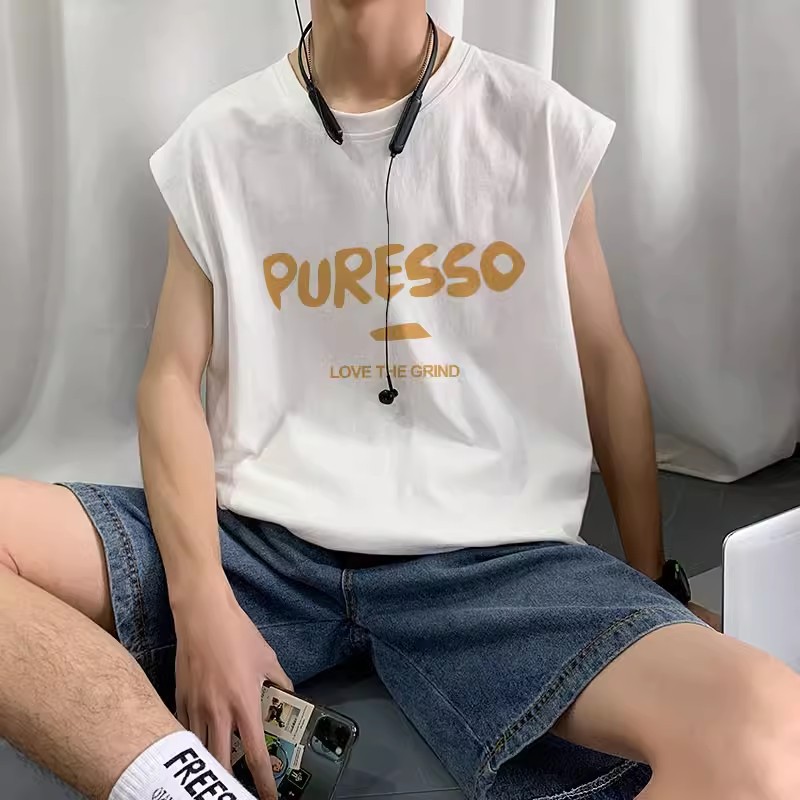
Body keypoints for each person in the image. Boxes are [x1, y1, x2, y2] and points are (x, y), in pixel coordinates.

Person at [1, 1, 798, 799]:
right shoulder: (218, 142)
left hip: (499, 561)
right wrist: (200, 595)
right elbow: (170, 379)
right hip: (262, 545)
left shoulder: (536, 124)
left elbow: (606, 361)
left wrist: (651, 578)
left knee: (768, 733)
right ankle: (184, 788)